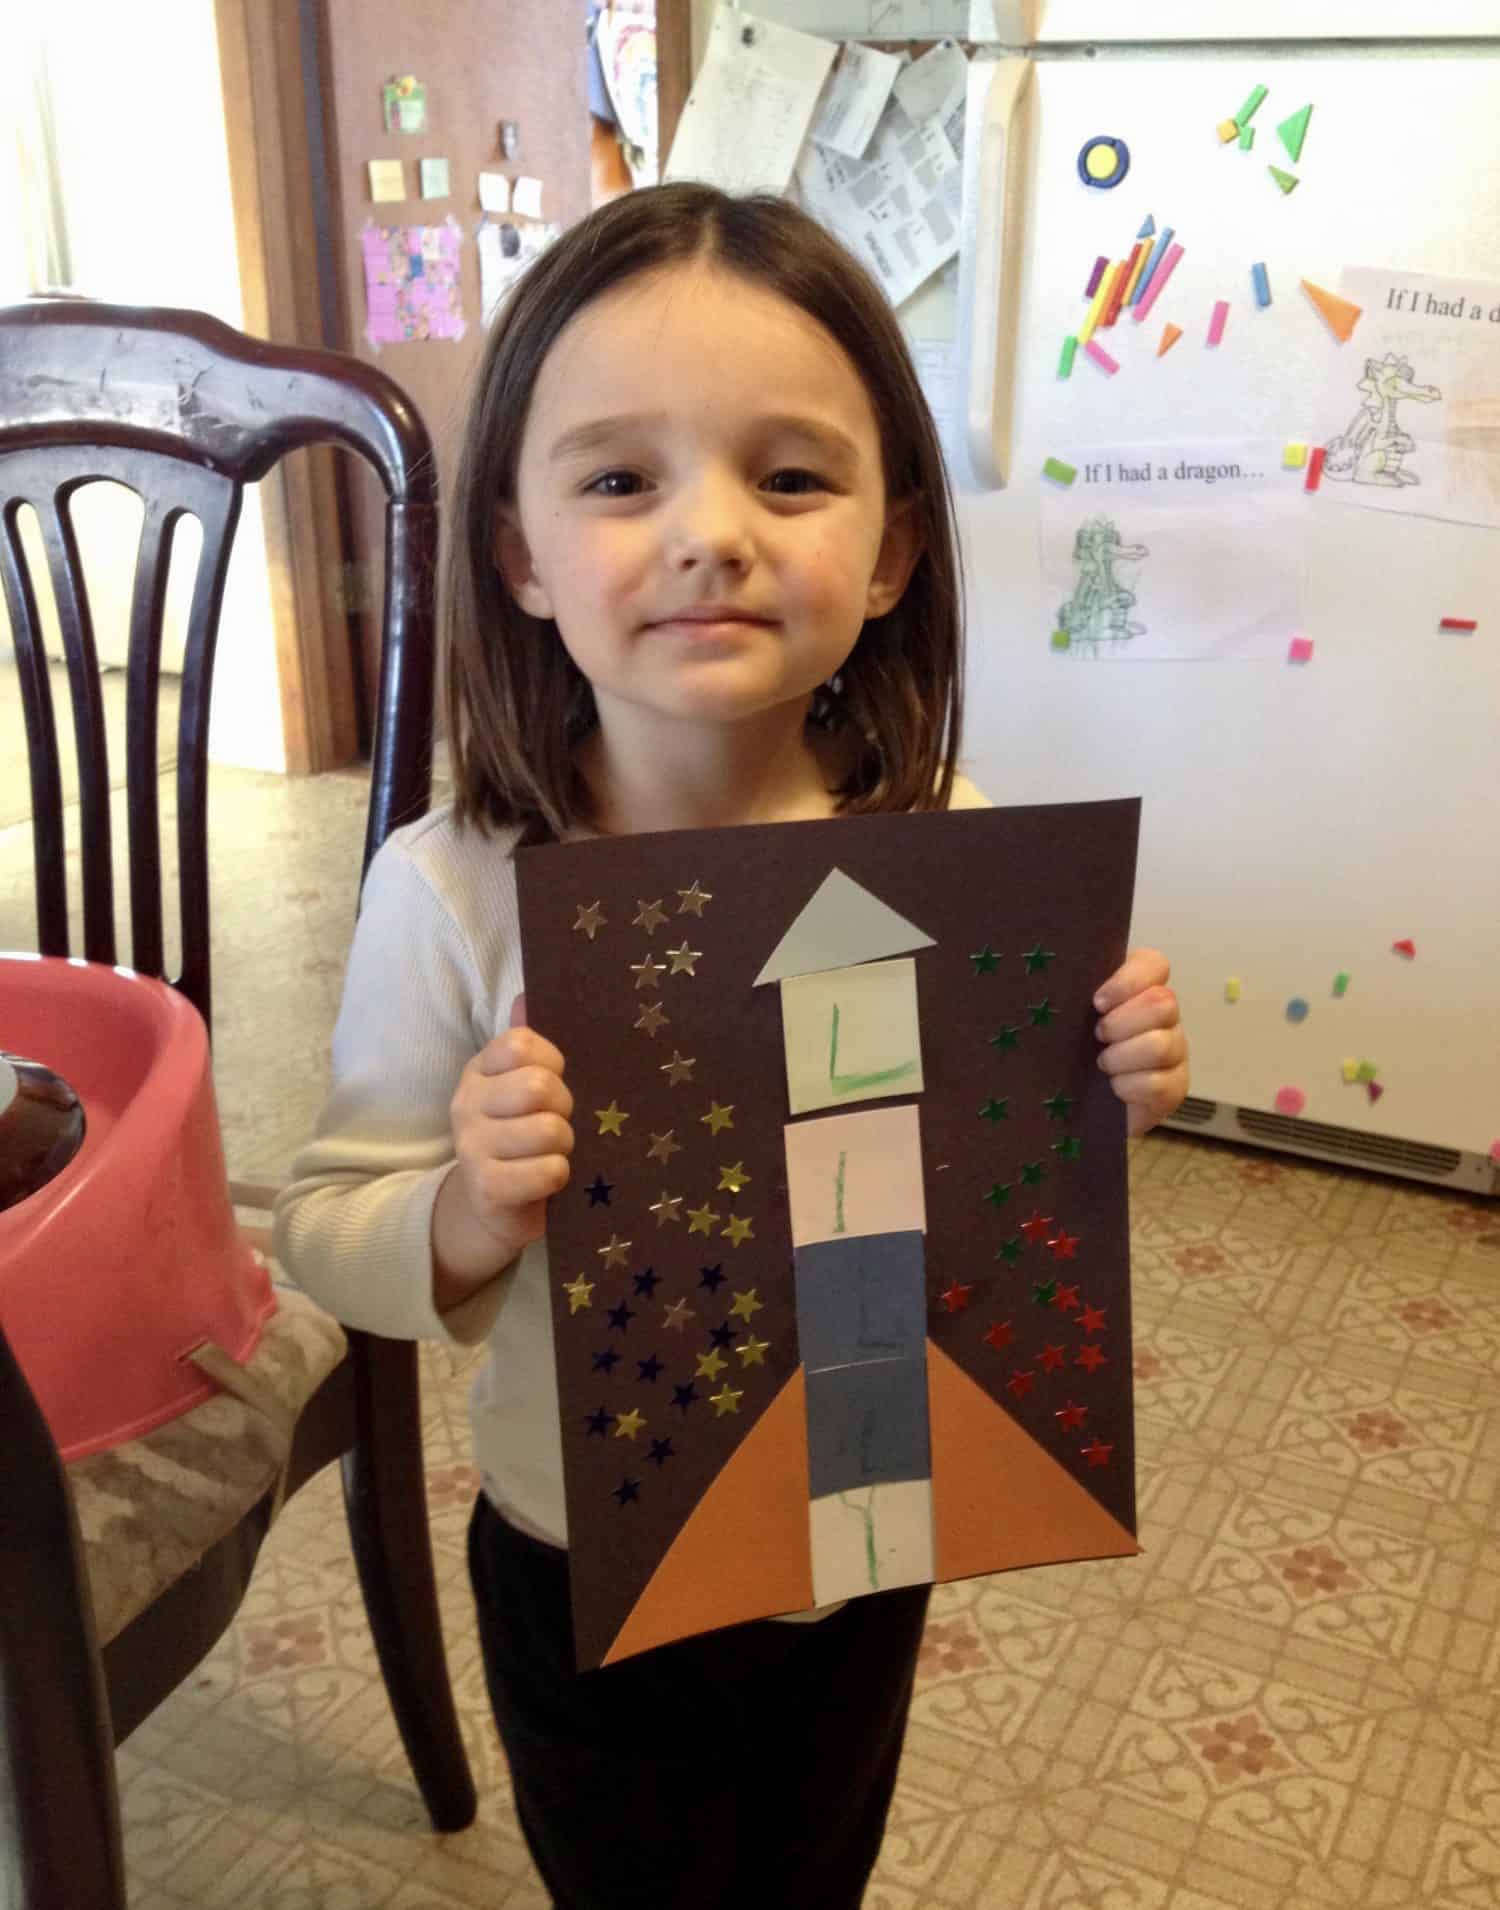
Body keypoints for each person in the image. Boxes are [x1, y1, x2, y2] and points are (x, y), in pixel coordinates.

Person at [274, 182, 1190, 1909]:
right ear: (521, 554)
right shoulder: (461, 890)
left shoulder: (951, 844)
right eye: (622, 477)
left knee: (812, 1865)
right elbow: (328, 1222)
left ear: (896, 547)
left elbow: (983, 1186)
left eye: (790, 474)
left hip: (859, 1528)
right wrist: (467, 1208)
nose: (712, 532)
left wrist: (1102, 1086)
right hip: (583, 1551)